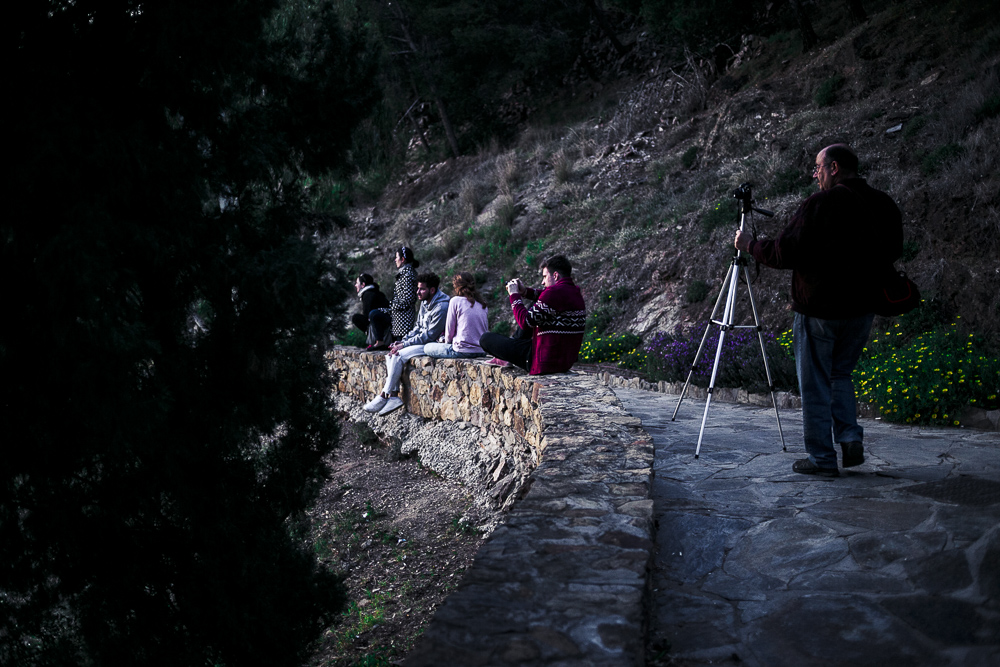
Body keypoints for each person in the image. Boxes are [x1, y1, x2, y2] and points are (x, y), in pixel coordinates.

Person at [735, 143, 903, 477]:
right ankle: (850, 436)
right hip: (862, 308)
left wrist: (749, 245)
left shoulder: (821, 203)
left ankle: (822, 459)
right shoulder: (883, 203)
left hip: (820, 310)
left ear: (834, 167)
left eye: (818, 168)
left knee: (814, 384)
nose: (815, 175)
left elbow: (784, 253)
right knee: (840, 374)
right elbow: (894, 250)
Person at [479, 255, 587, 375]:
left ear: (555, 275)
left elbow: (525, 322)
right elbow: (544, 297)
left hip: (542, 362)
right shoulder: (574, 292)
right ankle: (509, 350)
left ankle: (506, 356)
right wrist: (525, 292)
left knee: (485, 339)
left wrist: (514, 295)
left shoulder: (554, 293)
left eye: (545, 277)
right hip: (563, 361)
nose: (542, 282)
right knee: (536, 303)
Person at [364, 273, 450, 416]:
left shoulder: (441, 307)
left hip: (432, 344)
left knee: (398, 355)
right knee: (390, 355)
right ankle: (394, 396)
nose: (417, 292)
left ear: (432, 290)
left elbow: (429, 335)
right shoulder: (424, 302)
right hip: (422, 341)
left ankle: (384, 395)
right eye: (418, 288)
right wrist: (403, 341)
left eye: (422, 289)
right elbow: (417, 327)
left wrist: (404, 345)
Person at [424, 272, 489, 359]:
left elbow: (449, 332)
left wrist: (446, 343)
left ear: (457, 286)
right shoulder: (482, 304)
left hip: (461, 351)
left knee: (427, 347)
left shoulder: (455, 301)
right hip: (481, 351)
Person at [368, 246, 420, 351]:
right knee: (374, 313)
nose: (395, 260)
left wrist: (392, 306)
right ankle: (380, 342)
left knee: (401, 350)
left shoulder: (407, 274)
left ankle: (381, 342)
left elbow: (408, 300)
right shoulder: (405, 273)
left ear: (403, 259)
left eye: (396, 257)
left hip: (403, 318)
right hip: (399, 317)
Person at [351, 273, 391, 347]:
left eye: (357, 283)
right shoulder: (375, 292)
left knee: (356, 318)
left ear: (363, 284)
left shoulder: (368, 294)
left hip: (383, 324)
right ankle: (374, 338)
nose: (355, 285)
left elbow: (367, 316)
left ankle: (375, 340)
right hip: (387, 322)